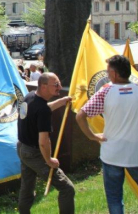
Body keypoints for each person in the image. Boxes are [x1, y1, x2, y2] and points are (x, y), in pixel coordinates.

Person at [76, 55, 138, 214]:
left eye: (108, 71)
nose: (107, 74)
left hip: (112, 153)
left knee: (114, 197)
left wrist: (92, 136)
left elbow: (80, 116)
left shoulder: (106, 92)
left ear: (115, 74)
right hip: (135, 153)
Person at [17, 72, 74, 214]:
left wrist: (62, 101)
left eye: (59, 83)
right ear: (43, 86)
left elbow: (42, 109)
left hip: (22, 148)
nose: (59, 87)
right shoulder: (42, 109)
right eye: (56, 85)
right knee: (67, 189)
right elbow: (43, 141)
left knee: (27, 188)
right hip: (35, 153)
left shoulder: (30, 96)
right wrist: (49, 160)